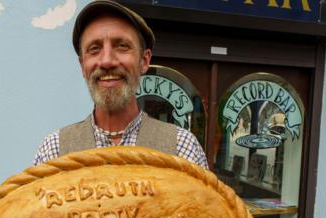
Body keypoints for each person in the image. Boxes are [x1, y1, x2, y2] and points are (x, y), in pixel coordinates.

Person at [34, 0, 208, 169]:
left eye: (122, 46)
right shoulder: (54, 149)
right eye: (94, 49)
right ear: (82, 65)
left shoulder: (182, 147)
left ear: (144, 61)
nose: (107, 61)